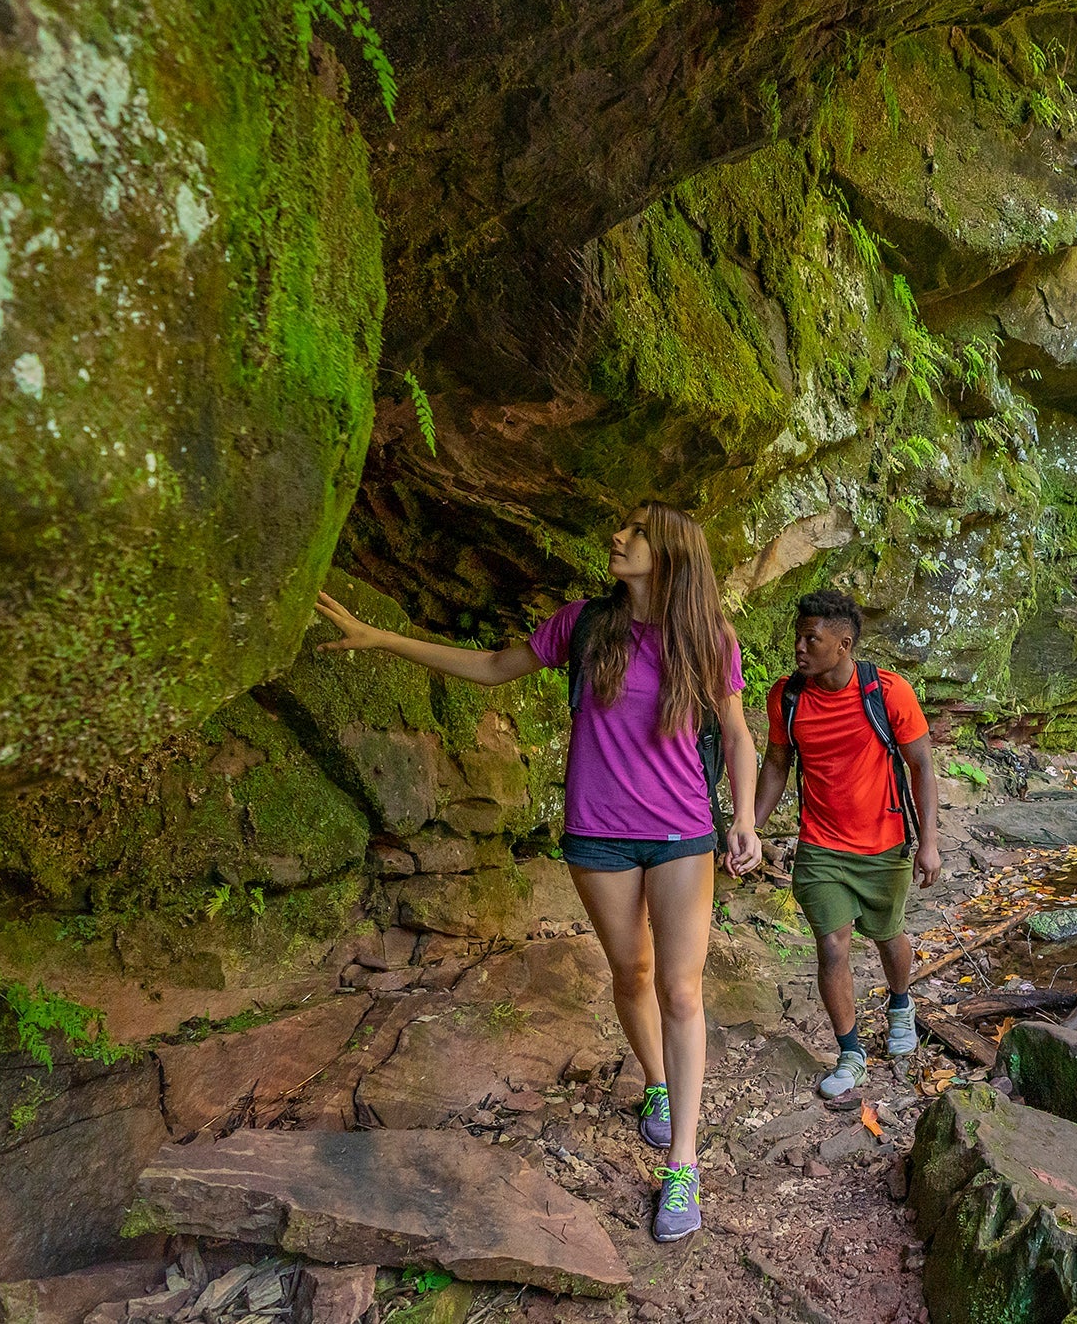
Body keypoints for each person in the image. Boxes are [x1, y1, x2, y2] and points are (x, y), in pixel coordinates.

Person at [312, 502, 760, 1245]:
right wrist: (383, 639)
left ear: (673, 553)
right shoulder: (583, 624)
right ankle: (656, 1081)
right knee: (632, 970)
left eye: (636, 532)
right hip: (599, 837)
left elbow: (739, 736)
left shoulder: (708, 639)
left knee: (681, 988)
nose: (617, 538)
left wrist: (743, 819)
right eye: (620, 528)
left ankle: (683, 1161)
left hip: (684, 833)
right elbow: (492, 668)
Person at [751, 590, 942, 1099]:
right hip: (821, 846)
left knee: (888, 934)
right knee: (832, 945)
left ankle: (901, 1007)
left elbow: (921, 765)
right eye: (798, 636)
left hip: (885, 844)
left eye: (811, 638)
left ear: (843, 644)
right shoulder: (787, 697)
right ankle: (851, 1054)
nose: (799, 647)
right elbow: (776, 764)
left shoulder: (888, 691)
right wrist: (749, 825)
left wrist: (929, 842)